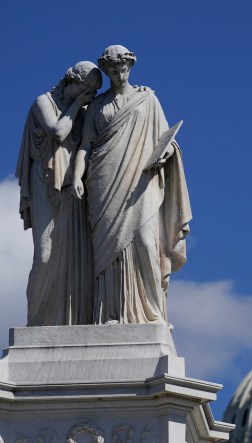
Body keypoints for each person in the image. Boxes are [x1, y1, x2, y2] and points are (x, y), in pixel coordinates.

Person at [71, 45, 191, 324]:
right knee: (107, 250)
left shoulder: (148, 100)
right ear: (106, 71)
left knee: (147, 242)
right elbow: (85, 146)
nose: (118, 74)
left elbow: (168, 140)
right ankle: (110, 313)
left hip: (142, 181)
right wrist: (77, 176)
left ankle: (150, 312)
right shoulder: (96, 107)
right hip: (103, 181)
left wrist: (166, 154)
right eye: (112, 70)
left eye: (122, 68)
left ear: (130, 67)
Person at [16, 61, 102, 326]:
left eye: (94, 93)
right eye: (87, 90)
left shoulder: (85, 109)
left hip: (73, 187)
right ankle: (37, 321)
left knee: (75, 255)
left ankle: (72, 321)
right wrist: (78, 105)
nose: (91, 97)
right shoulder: (43, 102)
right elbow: (57, 132)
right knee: (45, 253)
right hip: (45, 182)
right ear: (72, 82)